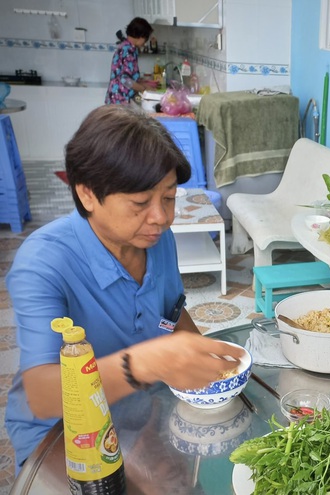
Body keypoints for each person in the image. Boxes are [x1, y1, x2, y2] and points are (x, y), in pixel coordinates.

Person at [5, 105, 244, 473]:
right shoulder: (43, 263)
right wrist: (149, 363)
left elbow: (172, 311)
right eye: (140, 202)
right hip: (65, 434)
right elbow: (41, 395)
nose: (161, 218)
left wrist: (213, 363)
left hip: (141, 410)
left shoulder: (156, 240)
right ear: (86, 195)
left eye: (168, 197)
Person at [105, 17, 158, 105]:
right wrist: (144, 90)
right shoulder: (129, 50)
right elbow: (125, 80)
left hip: (115, 98)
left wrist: (143, 84)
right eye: (146, 39)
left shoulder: (125, 46)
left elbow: (127, 75)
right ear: (141, 36)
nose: (145, 43)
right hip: (120, 99)